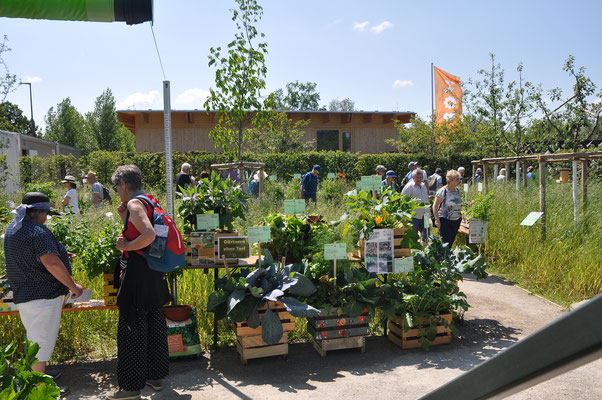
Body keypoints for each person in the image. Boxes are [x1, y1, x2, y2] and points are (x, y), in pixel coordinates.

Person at [4, 192, 83, 395]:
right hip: (43, 297)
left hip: (25, 295)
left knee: (35, 340)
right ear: (40, 212)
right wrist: (74, 287)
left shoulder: (13, 228)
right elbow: (51, 263)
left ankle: (37, 377)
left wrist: (61, 253)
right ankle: (39, 389)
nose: (47, 218)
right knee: (41, 344)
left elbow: (30, 256)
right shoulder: (38, 231)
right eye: (47, 214)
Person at [108, 165, 170, 400]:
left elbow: (149, 235)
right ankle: (156, 377)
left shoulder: (135, 204)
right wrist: (124, 218)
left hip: (136, 275)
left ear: (124, 184)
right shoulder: (150, 201)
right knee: (154, 324)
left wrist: (125, 246)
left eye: (116, 186)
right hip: (153, 273)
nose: (116, 191)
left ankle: (131, 388)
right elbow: (150, 234)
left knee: (131, 327)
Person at [433, 170, 463, 246]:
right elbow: (435, 206)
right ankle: (443, 254)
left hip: (456, 220)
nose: (459, 181)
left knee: (451, 242)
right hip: (445, 221)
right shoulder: (443, 191)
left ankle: (446, 253)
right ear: (451, 180)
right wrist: (437, 220)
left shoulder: (457, 190)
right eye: (457, 179)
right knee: (446, 243)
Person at [402, 169, 430, 246]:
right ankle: (412, 251)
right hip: (413, 216)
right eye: (417, 177)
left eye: (420, 177)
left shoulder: (424, 186)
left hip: (425, 215)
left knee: (426, 235)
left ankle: (425, 250)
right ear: (413, 177)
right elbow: (403, 201)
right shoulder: (409, 187)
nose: (419, 179)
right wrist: (406, 216)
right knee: (412, 236)